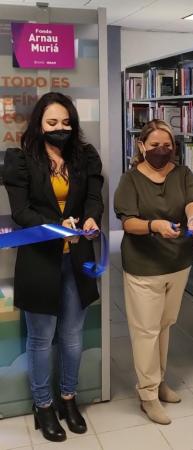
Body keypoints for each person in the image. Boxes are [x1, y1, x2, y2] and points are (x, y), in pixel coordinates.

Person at [3, 92, 103, 442]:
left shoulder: (84, 156)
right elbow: (22, 211)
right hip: (40, 260)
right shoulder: (20, 159)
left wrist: (91, 219)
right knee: (41, 339)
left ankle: (68, 398)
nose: (60, 128)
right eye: (52, 123)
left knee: (73, 337)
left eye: (65, 122)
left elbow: (94, 196)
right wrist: (59, 228)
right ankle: (43, 405)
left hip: (78, 258)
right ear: (38, 125)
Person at [114, 119, 193, 425]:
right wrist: (153, 226)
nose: (161, 151)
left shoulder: (182, 173)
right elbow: (128, 223)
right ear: (141, 146)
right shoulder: (130, 180)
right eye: (154, 145)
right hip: (144, 266)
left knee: (165, 325)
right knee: (146, 331)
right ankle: (148, 394)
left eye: (167, 145)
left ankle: (158, 380)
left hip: (178, 262)